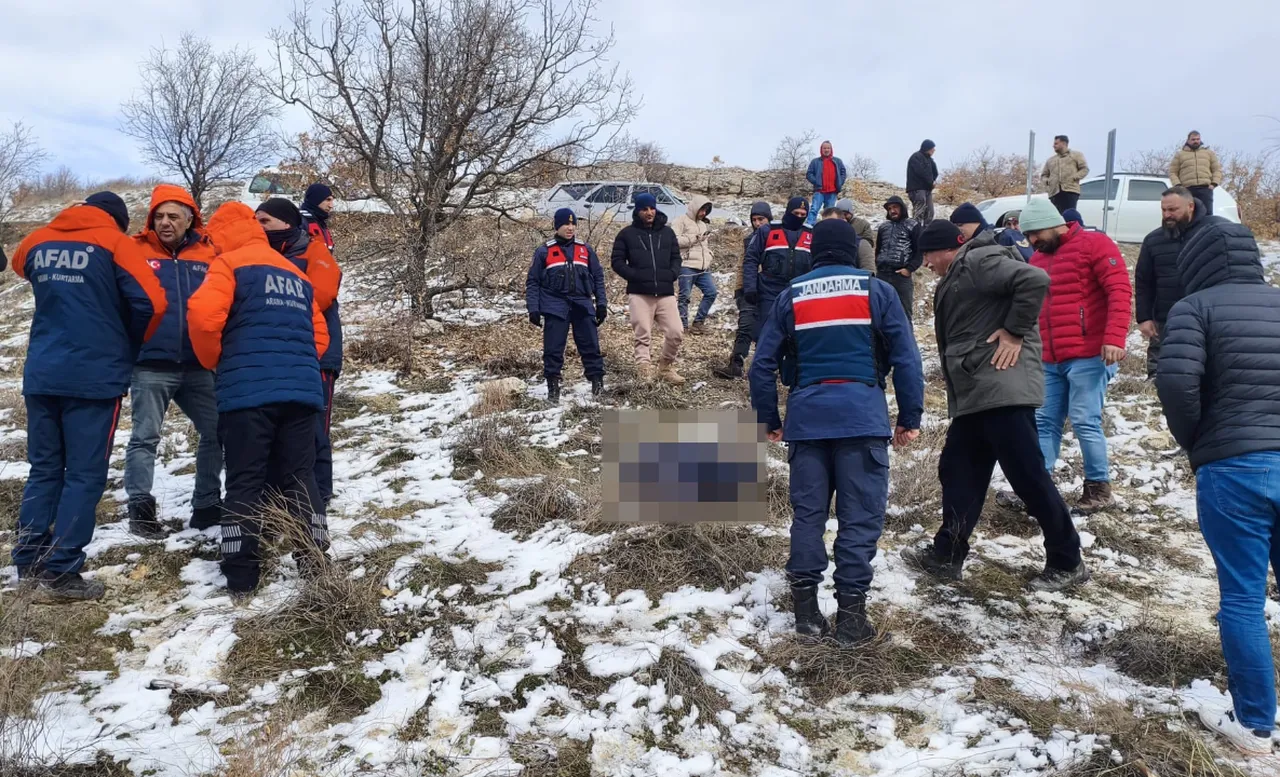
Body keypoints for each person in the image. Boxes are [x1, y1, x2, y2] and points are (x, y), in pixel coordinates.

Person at [749, 218, 924, 645]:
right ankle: (850, 618)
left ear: (813, 253)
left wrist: (769, 419)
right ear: (852, 251)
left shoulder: (792, 295)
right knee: (859, 517)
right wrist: (910, 417)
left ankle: (807, 615)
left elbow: (762, 365)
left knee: (808, 516)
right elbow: (906, 358)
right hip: (862, 418)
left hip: (807, 420)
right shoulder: (877, 291)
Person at [901, 220, 1087, 591]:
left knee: (1027, 477)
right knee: (959, 472)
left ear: (946, 249)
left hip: (1002, 391)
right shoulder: (963, 270)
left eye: (928, 254)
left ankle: (1068, 561)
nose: (925, 263)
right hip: (977, 394)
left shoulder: (980, 260)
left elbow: (1034, 280)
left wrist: (1015, 331)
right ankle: (947, 555)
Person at [1155, 221, 1280, 756]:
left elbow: (1176, 384)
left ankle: (1255, 727)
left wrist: (1197, 442)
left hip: (1234, 467)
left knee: (1243, 600)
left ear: (1197, 261)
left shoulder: (1195, 307)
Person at [10, 192, 168, 601]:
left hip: (43, 372)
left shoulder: (38, 240)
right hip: (94, 376)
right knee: (83, 474)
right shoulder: (116, 243)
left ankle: (28, 562)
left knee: (44, 469)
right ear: (115, 219)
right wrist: (127, 343)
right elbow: (152, 301)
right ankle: (61, 572)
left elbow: (17, 266)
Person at [189, 202, 331, 596]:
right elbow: (320, 336)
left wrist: (216, 360)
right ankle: (315, 561)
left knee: (244, 479)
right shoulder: (293, 272)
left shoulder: (229, 265)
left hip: (247, 393)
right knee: (300, 477)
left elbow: (202, 317)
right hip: (302, 392)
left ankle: (241, 574)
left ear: (221, 236)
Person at [1020, 198, 1131, 513]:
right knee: (1043, 421)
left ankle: (1099, 489)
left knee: (1084, 420)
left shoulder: (1095, 244)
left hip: (1090, 354)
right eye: (1028, 236)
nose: (1031, 242)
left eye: (1034, 233)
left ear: (1051, 222)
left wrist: (1113, 338)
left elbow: (1119, 291)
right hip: (1048, 357)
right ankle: (1037, 489)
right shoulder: (1037, 260)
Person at [125, 185, 223, 539]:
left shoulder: (209, 253)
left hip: (199, 364)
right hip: (150, 363)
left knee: (217, 431)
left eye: (173, 216)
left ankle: (207, 505)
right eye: (159, 216)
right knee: (145, 437)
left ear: (189, 220)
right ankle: (141, 510)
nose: (165, 223)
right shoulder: (134, 250)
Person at [255, 198, 344, 511]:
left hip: (318, 354)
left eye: (265, 221)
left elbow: (320, 295)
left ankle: (320, 493)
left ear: (286, 222)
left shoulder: (315, 251)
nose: (259, 227)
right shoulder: (262, 255)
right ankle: (284, 494)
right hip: (280, 355)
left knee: (316, 427)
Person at [1134, 186, 1218, 378]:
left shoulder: (1212, 234)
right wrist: (1144, 317)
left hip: (1205, 317)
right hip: (1165, 317)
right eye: (1164, 210)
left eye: (1173, 210)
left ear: (1190, 206)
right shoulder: (1153, 240)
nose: (1167, 215)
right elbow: (1144, 281)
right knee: (1162, 371)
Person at [526, 208, 607, 402]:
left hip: (582, 303)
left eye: (573, 224)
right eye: (566, 224)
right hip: (555, 305)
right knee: (553, 349)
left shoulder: (585, 249)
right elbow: (533, 281)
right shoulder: (544, 250)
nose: (570, 228)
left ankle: (597, 383)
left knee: (591, 345)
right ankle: (553, 387)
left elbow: (597, 277)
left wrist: (601, 303)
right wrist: (533, 308)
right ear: (557, 226)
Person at [610, 192, 684, 384]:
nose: (649, 212)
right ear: (637, 210)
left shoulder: (667, 233)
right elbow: (617, 262)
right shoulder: (626, 234)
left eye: (652, 208)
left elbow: (676, 257)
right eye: (644, 209)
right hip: (639, 294)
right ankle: (644, 370)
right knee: (642, 333)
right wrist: (635, 276)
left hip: (665, 292)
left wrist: (672, 273)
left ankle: (665, 368)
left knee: (676, 332)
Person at [713, 201, 772, 379]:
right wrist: (739, 289)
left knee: (768, 329)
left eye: (761, 219)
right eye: (754, 219)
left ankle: (765, 366)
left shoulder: (778, 239)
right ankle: (736, 364)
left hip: (770, 291)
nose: (757, 223)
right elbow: (742, 266)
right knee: (745, 326)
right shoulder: (750, 240)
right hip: (749, 290)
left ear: (769, 219)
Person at [743, 196, 813, 340]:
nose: (799, 217)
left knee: (794, 335)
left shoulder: (811, 234)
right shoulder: (767, 231)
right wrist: (750, 287)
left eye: (802, 215)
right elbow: (751, 259)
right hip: (769, 290)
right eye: (796, 213)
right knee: (766, 333)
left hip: (799, 292)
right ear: (788, 211)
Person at [672, 195, 718, 333]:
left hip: (703, 267)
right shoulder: (681, 221)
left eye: (705, 210)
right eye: (701, 210)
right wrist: (695, 238)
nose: (703, 213)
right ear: (695, 208)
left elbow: (703, 244)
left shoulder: (703, 224)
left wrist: (709, 254)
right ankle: (683, 326)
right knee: (684, 297)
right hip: (686, 265)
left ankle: (698, 322)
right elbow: (674, 241)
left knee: (711, 292)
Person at [874, 195, 922, 319]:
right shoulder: (883, 227)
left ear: (902, 208)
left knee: (904, 314)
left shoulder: (913, 225)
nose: (892, 211)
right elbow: (878, 249)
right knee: (880, 313)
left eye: (895, 207)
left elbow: (919, 251)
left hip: (901, 277)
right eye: (889, 208)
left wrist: (909, 269)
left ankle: (907, 338)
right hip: (882, 275)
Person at [1169, 131, 1223, 217]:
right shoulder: (1180, 155)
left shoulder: (1208, 153)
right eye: (1193, 139)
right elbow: (1172, 172)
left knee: (1207, 216)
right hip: (1187, 190)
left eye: (1198, 139)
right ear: (1188, 140)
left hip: (1205, 189)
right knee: (1188, 215)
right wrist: (1178, 186)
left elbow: (1217, 169)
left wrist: (1213, 184)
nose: (1196, 141)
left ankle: (1206, 231)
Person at [1040, 135, 1089, 214]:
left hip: (1070, 190)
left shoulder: (1076, 155)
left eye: (1056, 143)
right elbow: (1044, 175)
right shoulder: (1050, 160)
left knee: (1070, 216)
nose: (1053, 146)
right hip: (1054, 193)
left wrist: (1074, 177)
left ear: (1064, 143)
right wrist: (1048, 181)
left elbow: (1084, 169)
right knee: (1057, 217)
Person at [804, 141, 846, 227]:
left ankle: (827, 227)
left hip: (832, 192)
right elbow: (809, 174)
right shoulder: (815, 161)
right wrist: (816, 182)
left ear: (831, 149)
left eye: (828, 148)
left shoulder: (837, 161)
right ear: (821, 149)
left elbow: (843, 173)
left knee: (829, 212)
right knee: (814, 209)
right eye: (824, 148)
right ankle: (809, 227)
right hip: (819, 191)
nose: (826, 150)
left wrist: (839, 183)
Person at [834, 198, 875, 271]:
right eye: (841, 214)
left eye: (845, 214)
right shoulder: (834, 224)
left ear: (851, 212)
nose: (843, 217)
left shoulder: (863, 224)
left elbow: (869, 242)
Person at [905, 140, 939, 224]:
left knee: (930, 213)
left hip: (927, 189)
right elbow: (921, 172)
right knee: (919, 212)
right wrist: (931, 181)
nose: (934, 150)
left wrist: (933, 181)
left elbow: (935, 172)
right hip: (917, 189)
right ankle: (916, 232)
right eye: (932, 148)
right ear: (927, 148)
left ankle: (926, 233)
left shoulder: (930, 160)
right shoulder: (916, 157)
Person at [300, 183, 336, 252]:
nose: (331, 205)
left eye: (332, 200)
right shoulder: (300, 221)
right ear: (316, 200)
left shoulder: (320, 222)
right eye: (328, 200)